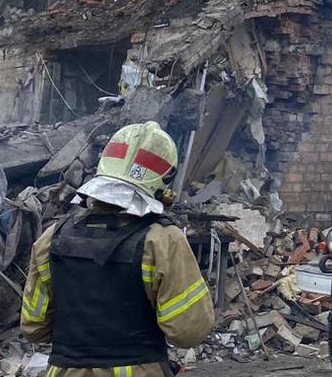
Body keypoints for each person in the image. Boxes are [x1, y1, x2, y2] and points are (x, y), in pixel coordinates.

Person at [21, 121, 215, 377]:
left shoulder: (52, 239)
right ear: (163, 181)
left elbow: (34, 327)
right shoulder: (162, 241)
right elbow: (189, 330)